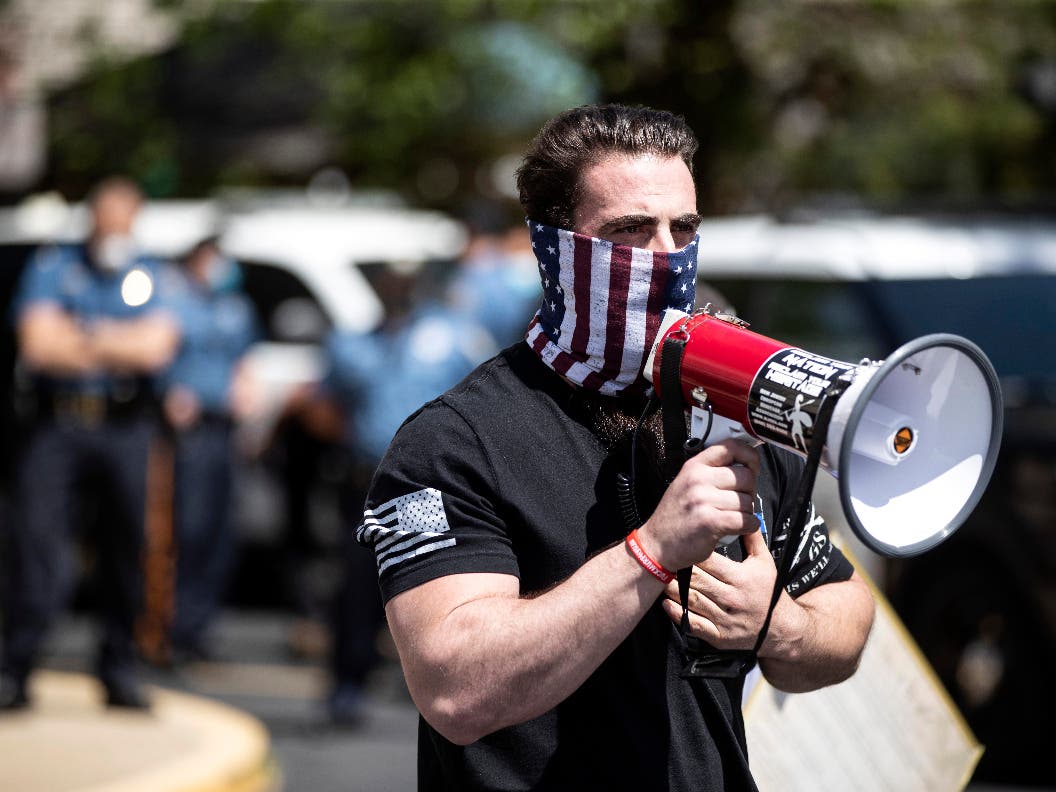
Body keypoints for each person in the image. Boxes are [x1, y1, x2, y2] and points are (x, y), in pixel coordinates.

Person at [354, 104, 876, 790]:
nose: (667, 257)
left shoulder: (725, 409)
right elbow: (456, 691)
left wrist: (774, 625)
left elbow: (847, 609)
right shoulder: (453, 443)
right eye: (630, 230)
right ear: (555, 249)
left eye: (683, 228)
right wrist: (652, 552)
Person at [284, 259, 496, 725]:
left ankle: (424, 681)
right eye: (389, 282)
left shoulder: (449, 338)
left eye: (405, 282)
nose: (397, 290)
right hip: (364, 484)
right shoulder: (352, 343)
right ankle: (347, 684)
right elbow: (323, 406)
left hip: (422, 490)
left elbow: (483, 400)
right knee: (355, 589)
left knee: (420, 582)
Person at [0, 176, 181, 710]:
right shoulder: (55, 266)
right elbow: (38, 345)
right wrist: (117, 341)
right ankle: (17, 666)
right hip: (59, 425)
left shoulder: (149, 272)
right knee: (37, 548)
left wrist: (81, 334)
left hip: (125, 427)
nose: (115, 231)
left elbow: (155, 349)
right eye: (107, 219)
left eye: (125, 221)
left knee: (128, 548)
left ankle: (118, 667)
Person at [158, 235, 259, 665]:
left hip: (224, 429)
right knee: (187, 528)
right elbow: (158, 360)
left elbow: (245, 362)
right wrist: (168, 394)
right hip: (188, 433)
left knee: (219, 532)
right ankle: (167, 627)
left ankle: (198, 625)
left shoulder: (236, 308)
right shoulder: (174, 302)